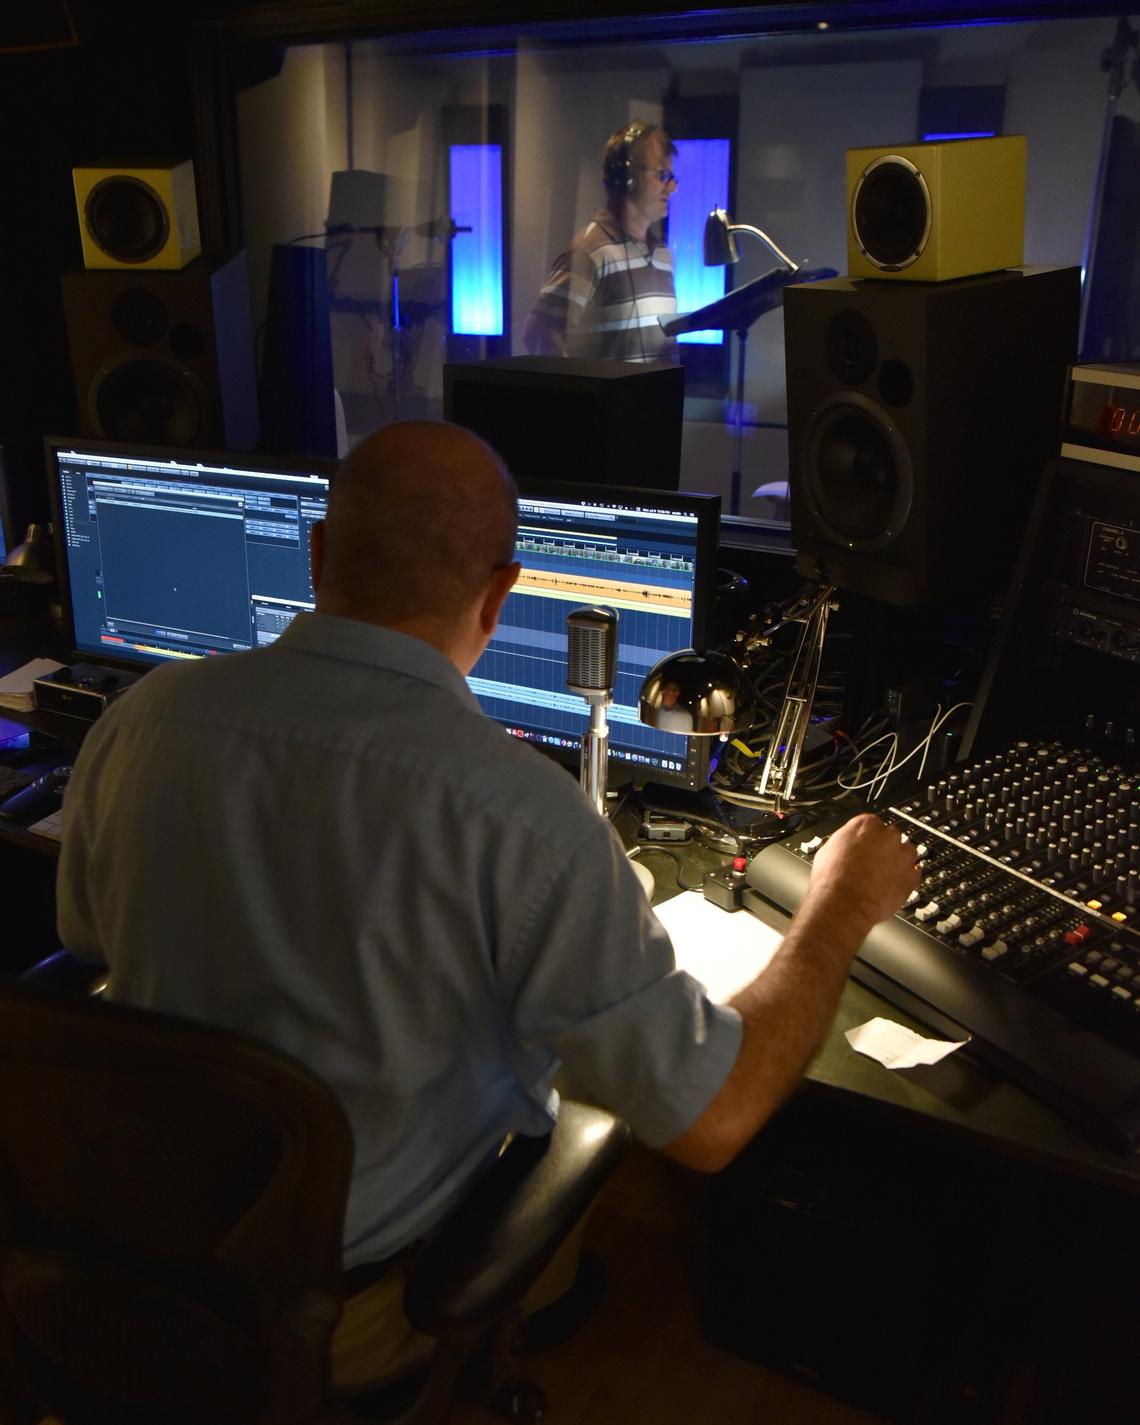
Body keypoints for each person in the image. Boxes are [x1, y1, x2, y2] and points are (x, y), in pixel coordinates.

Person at [56, 420, 918, 1391]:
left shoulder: (143, 720)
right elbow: (711, 1123)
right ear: (503, 595)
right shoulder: (526, 818)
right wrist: (839, 907)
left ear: (318, 554)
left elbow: (85, 938)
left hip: (126, 1235)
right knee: (590, 1079)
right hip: (331, 1299)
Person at [523, 120, 679, 363]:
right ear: (625, 176)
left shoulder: (663, 256)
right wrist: (584, 394)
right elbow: (538, 331)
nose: (672, 187)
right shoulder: (592, 251)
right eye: (662, 175)